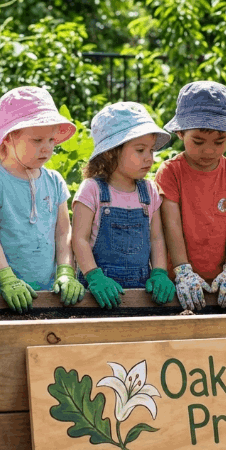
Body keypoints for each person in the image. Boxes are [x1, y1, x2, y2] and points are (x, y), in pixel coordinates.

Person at [0, 86, 85, 313]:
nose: (47, 148)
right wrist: (7, 278)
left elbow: (64, 233)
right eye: (37, 140)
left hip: (49, 295)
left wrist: (66, 272)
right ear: (8, 138)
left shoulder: (55, 181)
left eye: (51, 139)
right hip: (0, 297)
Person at [155, 81, 226, 311]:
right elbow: (171, 226)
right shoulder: (170, 172)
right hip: (179, 286)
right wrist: (183, 270)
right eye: (198, 141)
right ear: (180, 133)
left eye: (220, 141)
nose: (209, 150)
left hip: (224, 285)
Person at [71, 102, 176, 309]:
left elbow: (156, 238)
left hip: (140, 295)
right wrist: (94, 277)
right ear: (111, 152)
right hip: (96, 298)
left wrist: (159, 273)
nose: (149, 158)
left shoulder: (149, 191)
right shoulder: (92, 190)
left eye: (151, 150)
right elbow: (79, 239)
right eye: (140, 150)